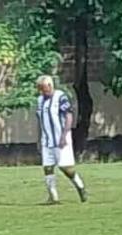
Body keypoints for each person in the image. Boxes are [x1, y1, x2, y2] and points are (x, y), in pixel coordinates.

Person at [36, 76, 87, 204]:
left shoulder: (60, 97)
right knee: (47, 167)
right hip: (47, 140)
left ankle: (80, 187)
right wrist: (39, 138)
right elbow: (40, 120)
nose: (42, 92)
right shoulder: (40, 100)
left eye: (43, 88)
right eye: (40, 89)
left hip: (60, 139)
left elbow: (69, 116)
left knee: (65, 168)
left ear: (50, 86)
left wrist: (64, 135)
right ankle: (53, 197)